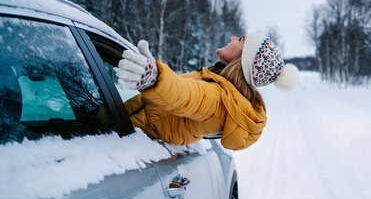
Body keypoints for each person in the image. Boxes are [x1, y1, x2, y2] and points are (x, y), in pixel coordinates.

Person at [114, 35, 299, 150]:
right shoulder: (218, 82)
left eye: (241, 40)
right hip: (125, 130)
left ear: (244, 60)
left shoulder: (220, 100)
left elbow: (187, 96)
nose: (233, 37)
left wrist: (155, 78)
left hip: (124, 143)